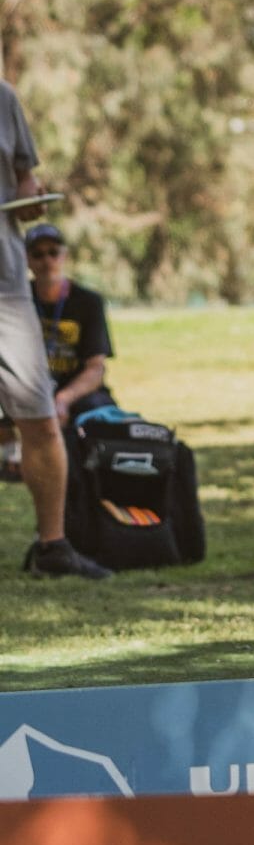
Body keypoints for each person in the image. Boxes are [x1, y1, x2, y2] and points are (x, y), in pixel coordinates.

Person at [0, 83, 110, 577]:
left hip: (5, 286)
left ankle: (53, 549)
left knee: (41, 417)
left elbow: (24, 181)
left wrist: (30, 202)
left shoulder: (4, 100)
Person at [25, 222, 118, 423]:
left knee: (101, 419)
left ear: (64, 255)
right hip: (30, 391)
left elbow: (96, 368)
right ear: (27, 260)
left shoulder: (88, 301)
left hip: (77, 391)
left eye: (53, 252)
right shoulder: (19, 300)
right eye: (38, 254)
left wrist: (63, 399)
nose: (47, 260)